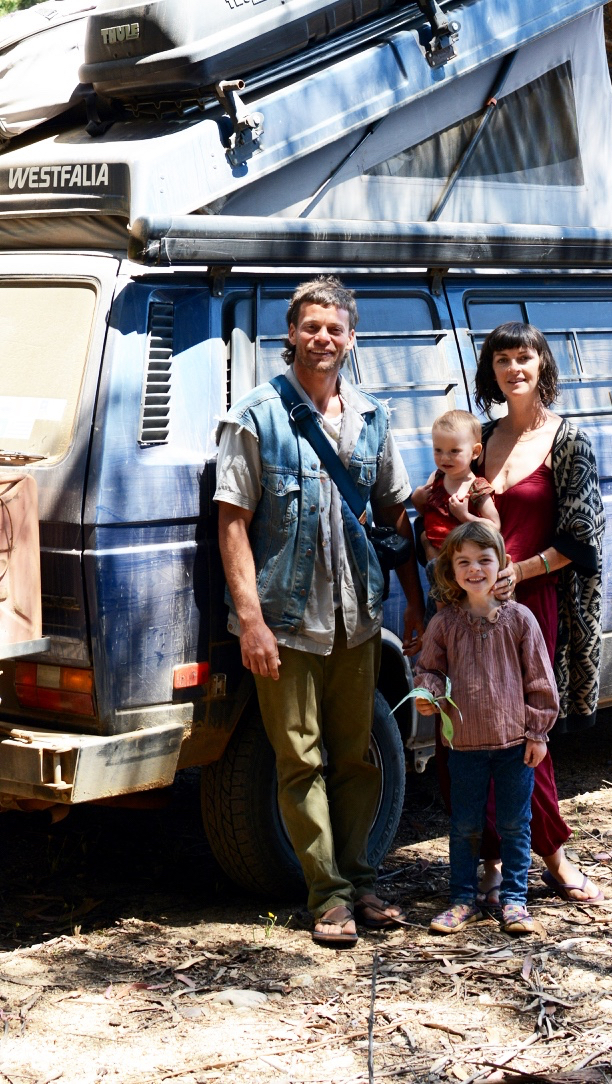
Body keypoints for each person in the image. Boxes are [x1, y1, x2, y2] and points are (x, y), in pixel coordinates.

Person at [215, 277, 425, 948]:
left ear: (351, 338)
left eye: (335, 328)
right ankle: (328, 897)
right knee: (299, 761)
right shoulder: (255, 417)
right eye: (311, 326)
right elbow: (232, 523)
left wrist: (418, 605)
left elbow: (395, 513)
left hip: (358, 620)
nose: (322, 338)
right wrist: (251, 621)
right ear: (291, 334)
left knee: (356, 757)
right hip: (285, 623)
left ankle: (361, 881)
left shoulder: (372, 417)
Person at [471, 321, 606, 906]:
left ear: (542, 365)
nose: (513, 369)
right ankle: (493, 859)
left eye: (523, 358)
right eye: (502, 359)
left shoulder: (568, 440)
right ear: (491, 371)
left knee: (527, 731)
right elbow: (449, 510)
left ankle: (552, 856)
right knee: (474, 733)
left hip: (535, 604)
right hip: (475, 609)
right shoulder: (479, 437)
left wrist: (518, 573)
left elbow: (582, 540)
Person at [414, 520, 558, 936]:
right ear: (450, 569)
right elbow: (429, 670)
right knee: (465, 826)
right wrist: (427, 694)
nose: (474, 569)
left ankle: (514, 900)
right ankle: (462, 900)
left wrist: (538, 732)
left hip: (514, 745)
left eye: (484, 560)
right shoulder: (444, 623)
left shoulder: (520, 619)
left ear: (502, 563)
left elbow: (540, 679)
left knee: (515, 824)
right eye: (463, 562)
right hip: (464, 746)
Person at [412, 408, 500, 562]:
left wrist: (465, 516)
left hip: (465, 562)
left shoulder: (477, 488)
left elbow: (494, 526)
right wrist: (418, 501)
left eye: (454, 451)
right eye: (438, 450)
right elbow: (429, 514)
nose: (445, 458)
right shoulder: (436, 478)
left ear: (475, 452)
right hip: (436, 560)